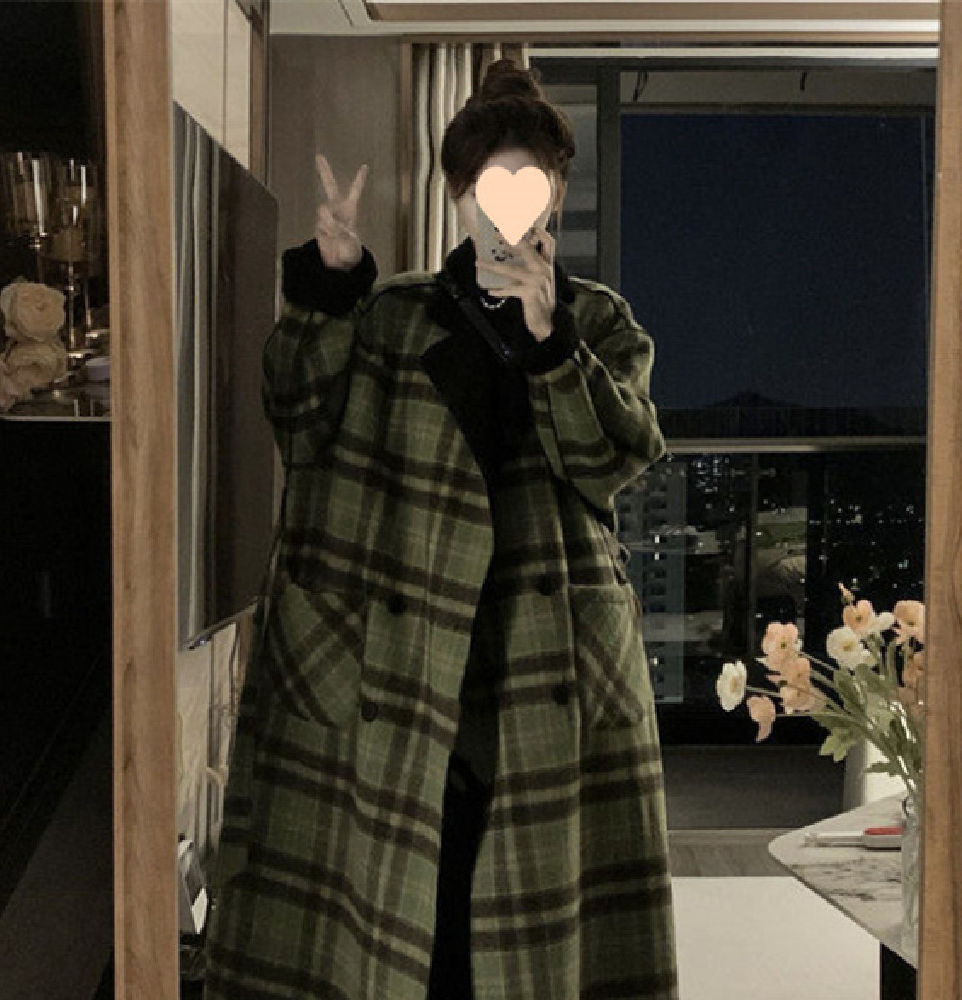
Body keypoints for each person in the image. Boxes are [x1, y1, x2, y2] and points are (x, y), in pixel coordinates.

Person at [202, 58, 678, 1000]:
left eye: (530, 188)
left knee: (526, 943)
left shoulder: (596, 322)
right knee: (414, 941)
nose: (507, 213)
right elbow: (296, 416)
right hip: (396, 665)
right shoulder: (389, 314)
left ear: (557, 196)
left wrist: (551, 351)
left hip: (544, 667)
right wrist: (330, 284)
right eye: (486, 188)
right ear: (457, 195)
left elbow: (613, 462)